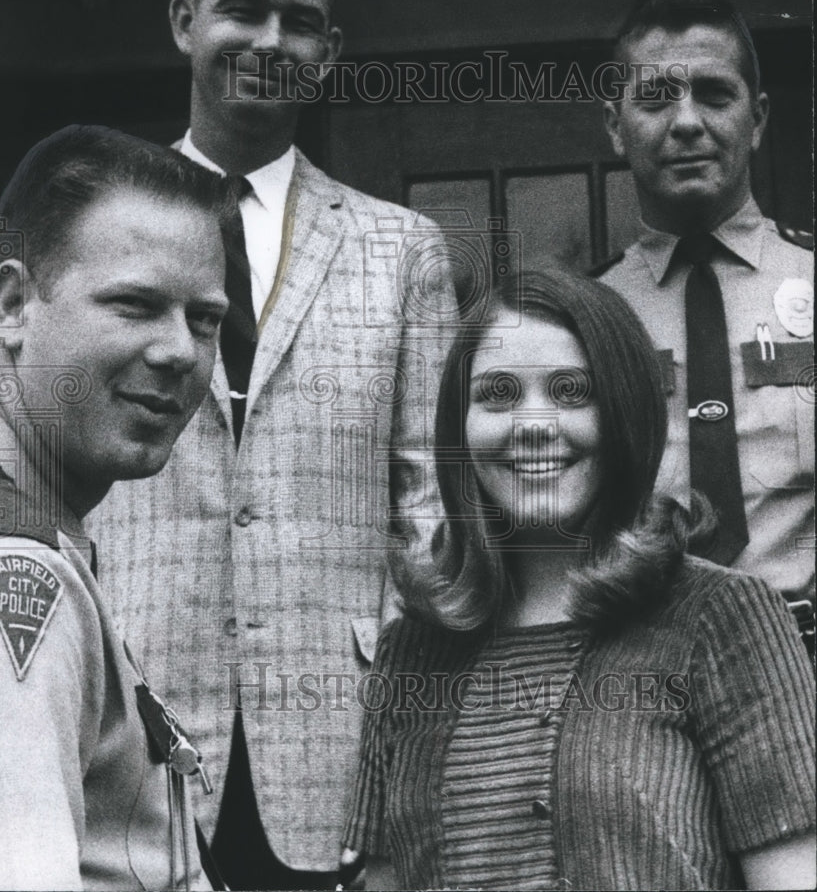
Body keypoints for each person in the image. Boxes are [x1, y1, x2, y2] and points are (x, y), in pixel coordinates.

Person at [87, 0, 457, 890]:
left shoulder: (402, 251)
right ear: (183, 21)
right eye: (241, 10)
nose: (268, 41)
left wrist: (410, 753)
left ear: (329, 53)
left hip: (341, 742)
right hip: (129, 728)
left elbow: (434, 511)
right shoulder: (95, 228)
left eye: (299, 22)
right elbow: (31, 466)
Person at [343, 266, 816, 891]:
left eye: (572, 391)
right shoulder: (410, 650)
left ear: (625, 413)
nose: (534, 424)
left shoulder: (722, 616)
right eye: (498, 394)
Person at [0, 125, 230, 890]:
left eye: (204, 320)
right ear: (12, 303)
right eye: (135, 305)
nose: (179, 351)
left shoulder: (6, 506)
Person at [597, 0, 814, 616]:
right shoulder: (584, 320)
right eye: (656, 98)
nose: (687, 120)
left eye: (715, 95)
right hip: (647, 671)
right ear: (616, 126)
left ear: (759, 119)